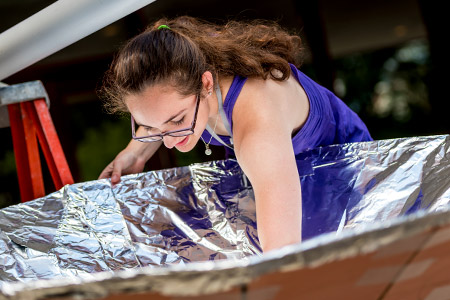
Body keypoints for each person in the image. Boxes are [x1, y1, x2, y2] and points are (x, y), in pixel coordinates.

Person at [98, 16, 372, 253]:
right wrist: (134, 152)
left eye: (177, 120)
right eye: (150, 127)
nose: (168, 140)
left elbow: (283, 253)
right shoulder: (189, 58)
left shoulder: (257, 127)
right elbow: (160, 115)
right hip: (275, 169)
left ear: (205, 82)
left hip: (344, 172)